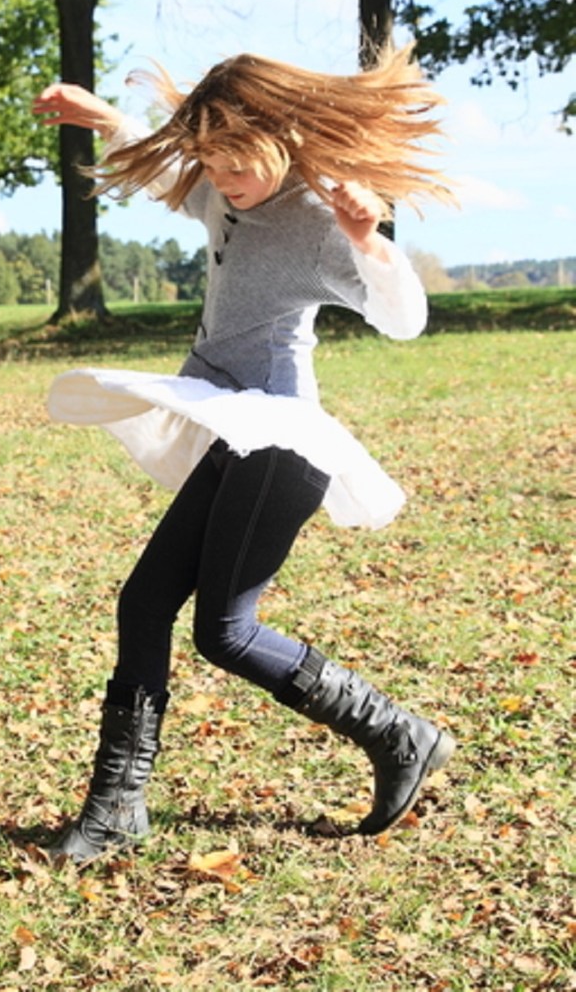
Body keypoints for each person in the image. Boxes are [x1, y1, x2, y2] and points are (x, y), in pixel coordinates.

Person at [32, 45, 457, 865]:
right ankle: (118, 807)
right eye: (210, 157)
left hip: (282, 441)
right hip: (231, 427)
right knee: (144, 602)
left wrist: (370, 238)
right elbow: (170, 177)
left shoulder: (316, 216)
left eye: (236, 158)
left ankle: (398, 733)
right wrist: (107, 118)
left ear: (281, 134)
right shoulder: (224, 192)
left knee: (225, 632)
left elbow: (404, 319)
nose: (221, 176)